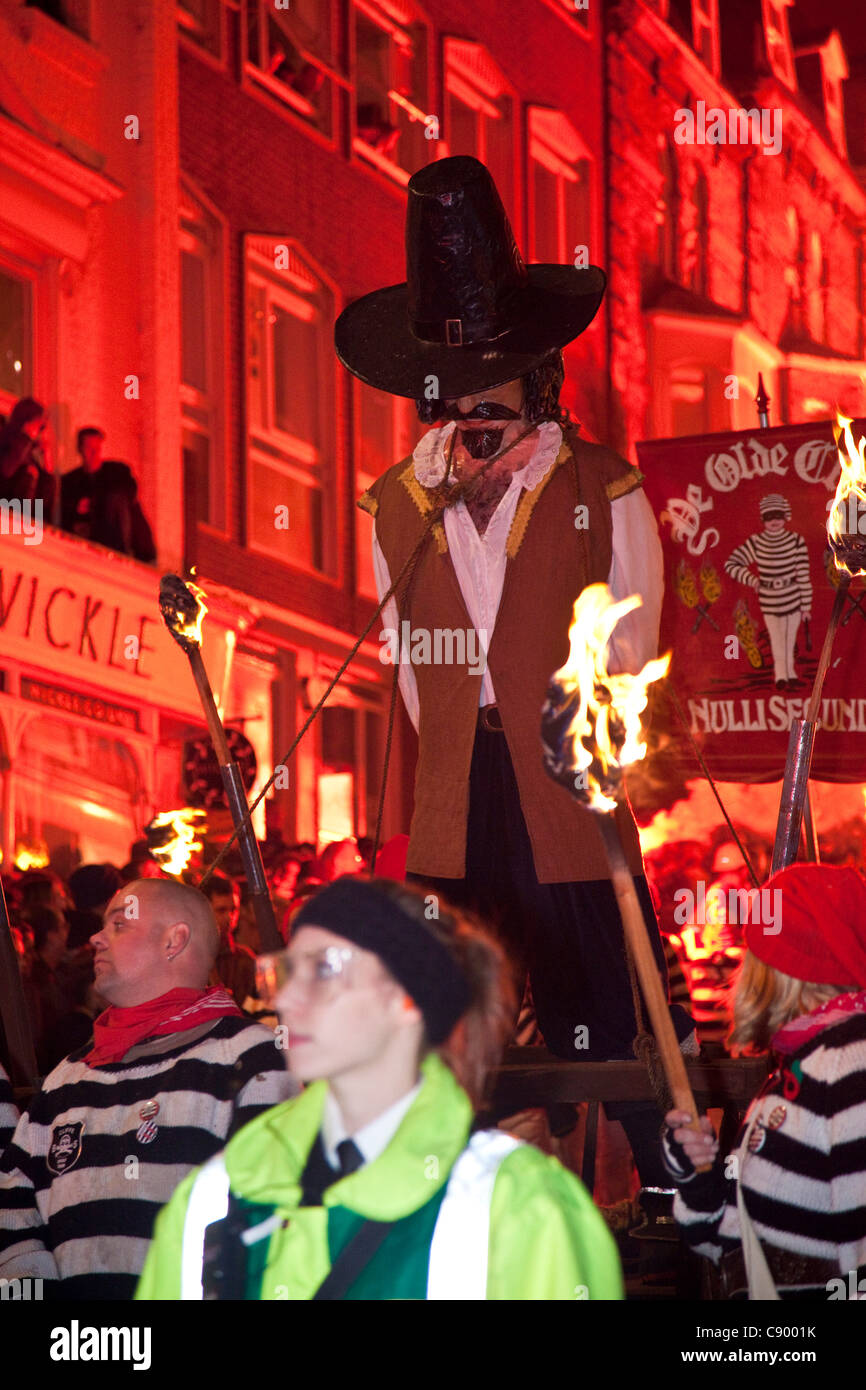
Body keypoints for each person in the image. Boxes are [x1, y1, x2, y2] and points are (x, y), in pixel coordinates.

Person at [342, 156, 694, 1189]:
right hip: (457, 792)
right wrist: (452, 741)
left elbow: (630, 634)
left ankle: (675, 1181)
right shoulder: (394, 508)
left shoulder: (601, 484)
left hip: (566, 778)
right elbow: (414, 664)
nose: (470, 435)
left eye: (488, 415)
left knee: (606, 999)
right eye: (454, 415)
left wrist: (588, 743)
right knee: (456, 1001)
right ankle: (459, 1199)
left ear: (532, 391)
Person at [135, 876, 622, 1300]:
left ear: (409, 999)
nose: (290, 997)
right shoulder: (219, 1191)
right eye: (284, 971)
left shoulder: (517, 1203)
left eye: (324, 969)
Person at [0, 877, 296, 1299]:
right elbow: (13, 1213)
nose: (96, 938)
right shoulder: (67, 1076)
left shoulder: (253, 1059)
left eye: (120, 925)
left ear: (174, 941)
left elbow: (271, 1221)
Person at [664, 864, 866, 1299]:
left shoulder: (851, 1068)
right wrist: (698, 1180)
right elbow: (728, 1244)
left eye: (756, 949)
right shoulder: (802, 1063)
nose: (743, 965)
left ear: (786, 965)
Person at [724, 494, 812, 691]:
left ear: (785, 517)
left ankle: (790, 674)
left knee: (789, 639)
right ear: (763, 518)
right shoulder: (756, 542)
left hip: (793, 599)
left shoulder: (796, 541)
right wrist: (752, 580)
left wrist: (806, 606)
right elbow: (732, 563)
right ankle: (780, 676)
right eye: (769, 516)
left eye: (778, 515)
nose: (774, 521)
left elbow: (804, 574)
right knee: (776, 639)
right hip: (770, 600)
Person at [60, 426, 156, 562]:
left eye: (97, 449)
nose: (94, 453)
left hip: (120, 542)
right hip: (92, 542)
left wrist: (99, 502)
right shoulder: (71, 481)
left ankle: (121, 552)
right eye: (89, 449)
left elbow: (129, 494)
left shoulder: (117, 473)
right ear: (80, 449)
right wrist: (77, 507)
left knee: (116, 500)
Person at [201, 873, 257, 1010]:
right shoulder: (186, 958)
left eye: (233, 910)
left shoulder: (245, 960)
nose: (229, 917)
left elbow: (257, 1010)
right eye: (221, 910)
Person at [0, 396, 56, 515]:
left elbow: (46, 498)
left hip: (28, 518)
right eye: (40, 426)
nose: (42, 431)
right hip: (7, 511)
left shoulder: (29, 454)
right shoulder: (7, 440)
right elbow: (6, 471)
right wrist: (26, 437)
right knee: (28, 473)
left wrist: (47, 457)